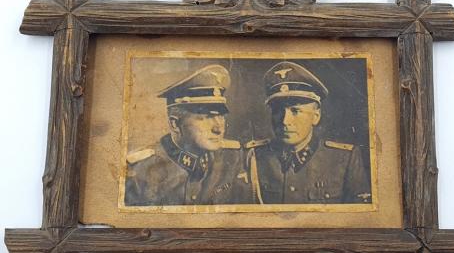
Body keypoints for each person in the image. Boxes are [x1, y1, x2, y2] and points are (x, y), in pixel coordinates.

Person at [125, 64, 254, 206]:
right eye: (205, 117)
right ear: (175, 124)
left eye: (221, 116)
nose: (218, 129)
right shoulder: (140, 170)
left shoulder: (232, 159)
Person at [246, 61, 372, 205]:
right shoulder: (254, 156)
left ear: (315, 116)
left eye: (295, 111)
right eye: (277, 111)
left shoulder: (345, 159)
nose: (285, 121)